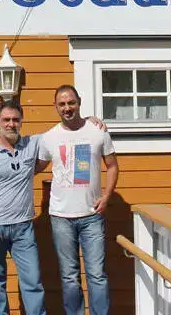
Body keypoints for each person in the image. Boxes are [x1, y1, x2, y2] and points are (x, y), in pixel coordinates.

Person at [0, 98, 106, 315]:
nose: (11, 124)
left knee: (32, 282)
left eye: (15, 120)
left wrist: (86, 121)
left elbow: (63, 131)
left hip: (23, 228)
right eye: (6, 120)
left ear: (21, 121)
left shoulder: (32, 144)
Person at [37, 84, 118, 315]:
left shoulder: (97, 131)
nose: (67, 108)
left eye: (71, 103)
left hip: (92, 215)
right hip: (61, 217)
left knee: (97, 275)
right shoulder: (49, 137)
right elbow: (34, 166)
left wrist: (106, 197)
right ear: (55, 107)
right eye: (62, 104)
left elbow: (112, 166)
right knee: (69, 277)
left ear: (79, 102)